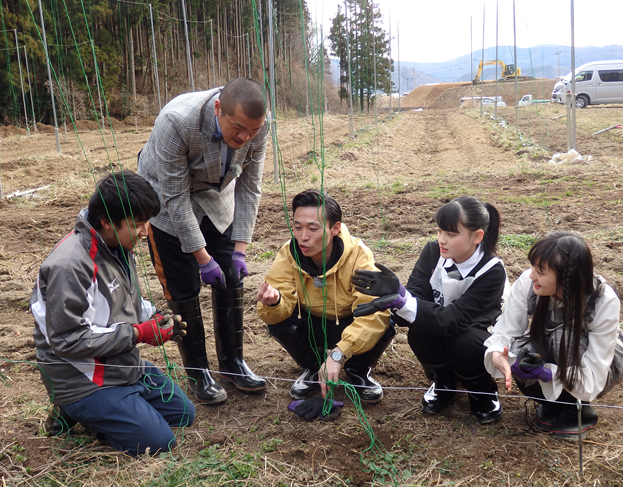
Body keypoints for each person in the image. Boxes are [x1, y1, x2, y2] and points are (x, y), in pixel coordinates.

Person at [30, 170, 195, 456]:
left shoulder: (117, 244)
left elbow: (122, 300)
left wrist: (154, 316)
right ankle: (73, 408)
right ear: (106, 221)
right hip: (81, 376)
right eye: (138, 224)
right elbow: (68, 340)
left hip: (119, 363)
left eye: (147, 222)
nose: (145, 232)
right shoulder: (70, 266)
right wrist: (137, 333)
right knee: (158, 443)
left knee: (183, 414)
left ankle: (112, 407)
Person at [138, 78, 269, 404]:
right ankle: (198, 372)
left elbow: (250, 188)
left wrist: (239, 250)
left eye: (251, 131)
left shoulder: (258, 126)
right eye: (237, 127)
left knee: (231, 278)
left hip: (216, 196)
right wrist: (202, 258)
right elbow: (176, 199)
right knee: (183, 288)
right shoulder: (177, 122)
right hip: (167, 200)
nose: (244, 137)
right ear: (217, 109)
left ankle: (232, 364)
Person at [352, 196, 509, 424]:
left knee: (464, 341)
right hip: (443, 323)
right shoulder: (433, 253)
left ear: (477, 236)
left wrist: (403, 299)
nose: (442, 240)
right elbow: (417, 297)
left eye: (451, 234)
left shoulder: (492, 271)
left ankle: (481, 389)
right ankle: (443, 382)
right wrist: (399, 298)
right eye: (439, 231)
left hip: (476, 335)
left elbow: (455, 319)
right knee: (420, 330)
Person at [485, 232, 623, 439]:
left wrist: (548, 374)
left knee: (563, 339)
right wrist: (498, 353)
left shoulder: (602, 300)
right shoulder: (528, 283)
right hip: (556, 353)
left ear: (567, 277)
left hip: (588, 362)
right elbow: (506, 330)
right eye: (533, 267)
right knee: (522, 353)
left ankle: (576, 410)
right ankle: (550, 404)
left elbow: (595, 373)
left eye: (540, 271)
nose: (531, 275)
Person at [256, 189, 393, 403]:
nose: (303, 237)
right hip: (312, 325)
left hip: (349, 322)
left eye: (312, 228)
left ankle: (358, 371)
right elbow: (275, 305)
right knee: (280, 323)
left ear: (335, 229)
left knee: (385, 321)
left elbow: (373, 313)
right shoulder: (289, 253)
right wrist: (275, 302)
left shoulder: (358, 255)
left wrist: (339, 353)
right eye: (297, 227)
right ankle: (313, 367)